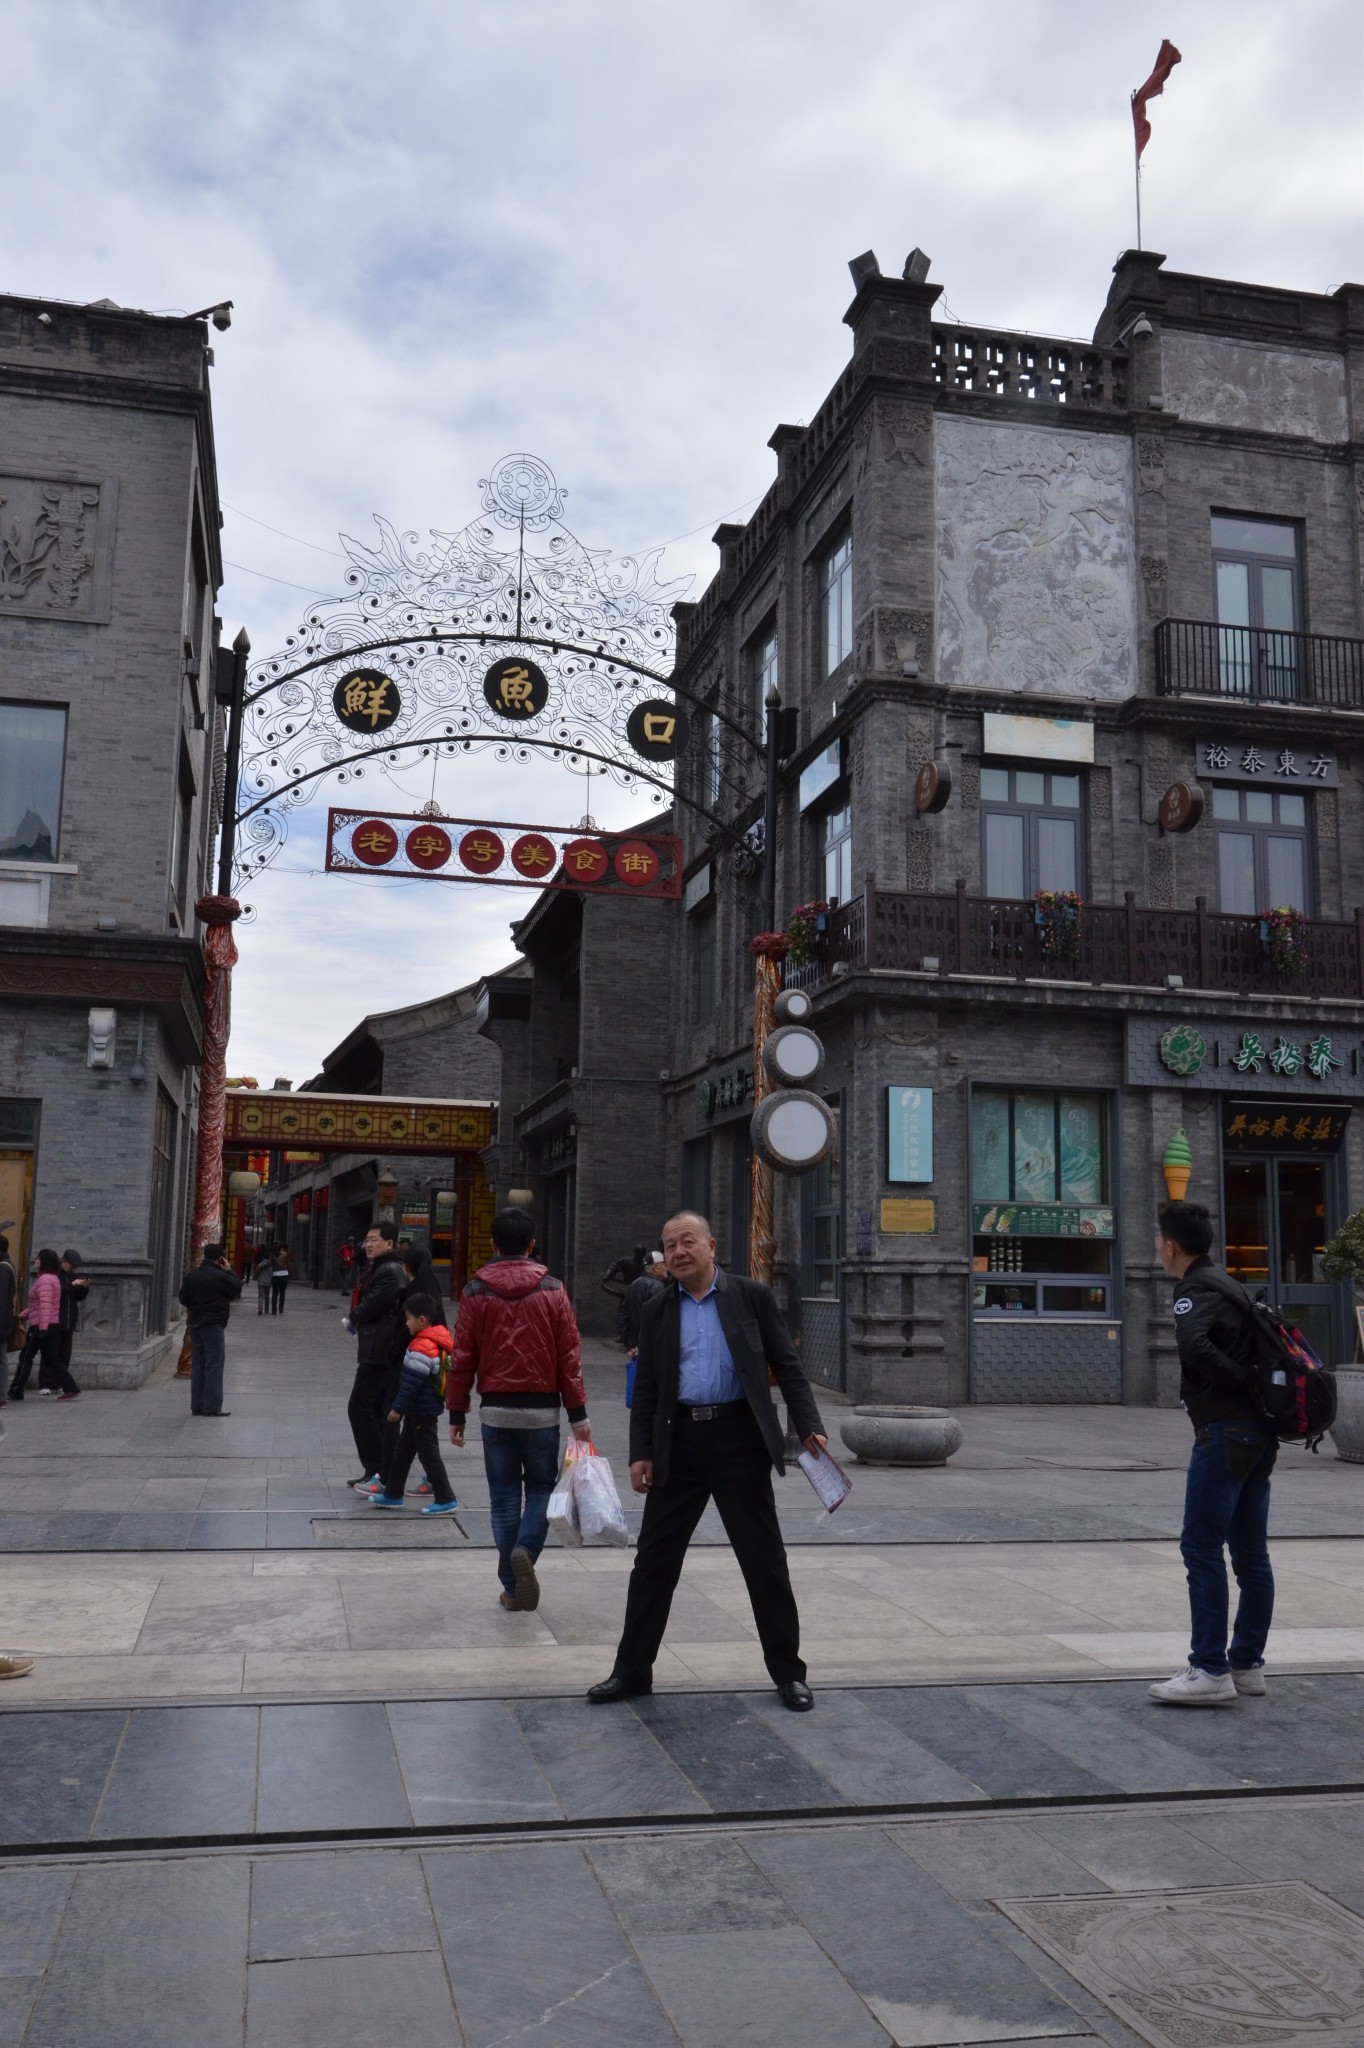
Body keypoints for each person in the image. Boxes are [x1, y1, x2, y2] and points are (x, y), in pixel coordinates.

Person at [588, 1210, 826, 1713]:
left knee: (764, 1562)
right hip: (679, 1444)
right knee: (653, 1563)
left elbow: (788, 1366)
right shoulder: (657, 1308)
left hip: (740, 1440)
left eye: (687, 1241)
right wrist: (640, 1453)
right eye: (670, 1244)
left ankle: (789, 1673)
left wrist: (809, 1425)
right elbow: (647, 1387)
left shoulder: (751, 1297)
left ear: (711, 1246)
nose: (678, 1252)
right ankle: (631, 1671)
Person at [1150, 1198, 1276, 1707]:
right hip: (1260, 1433)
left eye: (1158, 1242)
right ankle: (1246, 1665)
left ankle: (1208, 1668)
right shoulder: (1232, 1285)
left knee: (1201, 1548)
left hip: (1224, 1433)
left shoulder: (1194, 1290)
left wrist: (1237, 1378)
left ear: (1170, 1246)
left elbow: (1194, 1346)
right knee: (1251, 1554)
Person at [447, 1206, 591, 1612]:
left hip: (495, 1411)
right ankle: (526, 1550)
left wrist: (456, 1412)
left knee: (504, 1499)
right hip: (542, 1412)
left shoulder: (475, 1291)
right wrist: (578, 1414)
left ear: (493, 1244)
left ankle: (512, 1588)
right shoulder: (554, 1290)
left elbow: (462, 1356)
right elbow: (569, 1355)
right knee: (542, 1489)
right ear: (532, 1245)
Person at [370, 1294, 463, 1514]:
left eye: (408, 1318)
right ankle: (393, 1494)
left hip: (421, 1410)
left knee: (429, 1455)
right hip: (419, 1410)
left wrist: (397, 1409)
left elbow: (411, 1384)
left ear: (422, 1320)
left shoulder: (423, 1346)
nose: (406, 1323)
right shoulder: (430, 1341)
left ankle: (446, 1498)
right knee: (402, 1454)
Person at [347, 1222, 408, 1491]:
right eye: (367, 1239)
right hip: (377, 1346)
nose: (368, 1244)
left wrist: (354, 1316)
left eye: (374, 1240)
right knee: (376, 1408)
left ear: (389, 1243)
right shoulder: (379, 1267)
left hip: (380, 1349)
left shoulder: (389, 1270)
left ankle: (376, 1468)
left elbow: (371, 1305)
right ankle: (382, 1469)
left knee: (359, 1406)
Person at [177, 1241, 243, 1416]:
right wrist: (228, 1270)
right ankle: (212, 1407)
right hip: (213, 1324)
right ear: (221, 1258)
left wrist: (196, 1306)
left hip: (195, 1324)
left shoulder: (192, 1276)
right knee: (214, 1365)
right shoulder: (220, 1276)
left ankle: (197, 1405)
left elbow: (183, 1298)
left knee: (198, 1365)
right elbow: (236, 1288)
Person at [16, 1249, 81, 1400]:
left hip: (41, 1324)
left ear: (44, 1262)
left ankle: (16, 1389)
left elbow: (45, 1306)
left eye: (38, 1258)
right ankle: (71, 1387)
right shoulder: (52, 1278)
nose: (35, 1260)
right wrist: (23, 1315)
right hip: (51, 1323)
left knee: (26, 1357)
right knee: (52, 1358)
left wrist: (43, 1328)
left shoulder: (45, 1279)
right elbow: (40, 1304)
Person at [620, 1251, 666, 1353]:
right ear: (655, 1267)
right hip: (650, 1348)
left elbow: (623, 1317)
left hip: (635, 1348)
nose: (667, 1268)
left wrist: (630, 1345)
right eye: (664, 1264)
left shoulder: (632, 1285)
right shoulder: (657, 1286)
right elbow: (657, 1321)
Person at [56, 1252, 89, 1388]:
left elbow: (78, 1297)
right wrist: (72, 1284)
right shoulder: (56, 1275)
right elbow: (58, 1292)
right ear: (65, 1262)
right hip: (56, 1320)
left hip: (69, 1321)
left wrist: (84, 1288)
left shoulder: (72, 1276)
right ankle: (47, 1383)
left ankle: (59, 1383)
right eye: (73, 1266)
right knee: (53, 1353)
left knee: (65, 1354)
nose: (74, 1269)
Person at [0, 1236, 15, 1396]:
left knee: (1, 1360)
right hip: (4, 1320)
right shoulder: (7, 1265)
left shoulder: (3, 1268)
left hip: (2, 1321)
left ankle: (1, 1395)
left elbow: (2, 1299)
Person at [270, 1243, 291, 1315]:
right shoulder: (285, 1254)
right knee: (282, 1292)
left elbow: (270, 1264)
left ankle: (274, 1309)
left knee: (275, 1293)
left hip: (276, 1274)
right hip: (284, 1274)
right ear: (281, 1247)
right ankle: (281, 1308)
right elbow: (288, 1264)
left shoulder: (273, 1254)